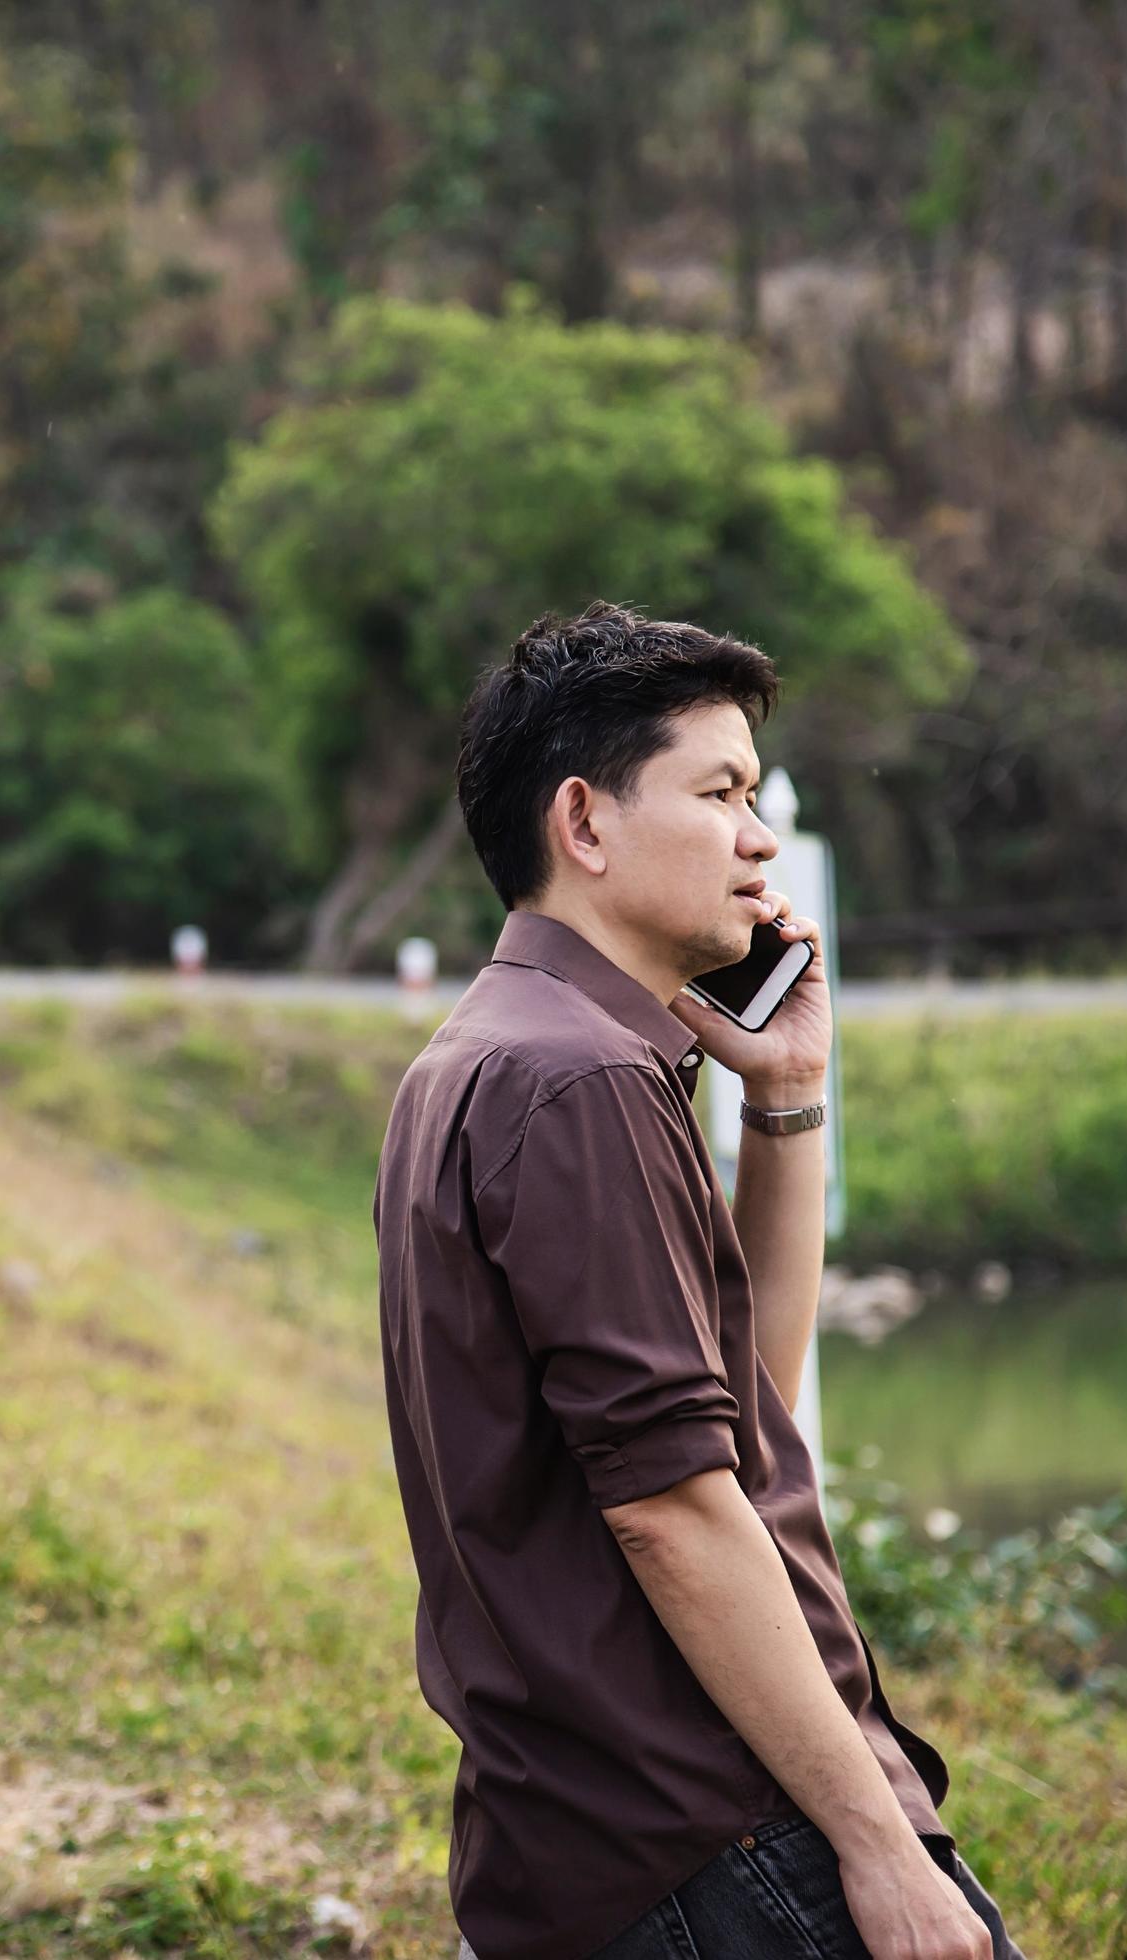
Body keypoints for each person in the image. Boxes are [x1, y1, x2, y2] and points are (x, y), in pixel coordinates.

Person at [375, 602, 1021, 1960]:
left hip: (608, 1841)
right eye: (721, 792)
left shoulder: (494, 1054)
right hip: (720, 1839)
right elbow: (672, 1512)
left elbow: (741, 1421)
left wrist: (785, 1101)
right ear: (586, 823)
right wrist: (877, 1845)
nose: (762, 839)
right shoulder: (578, 1079)